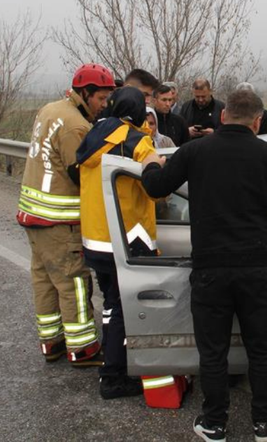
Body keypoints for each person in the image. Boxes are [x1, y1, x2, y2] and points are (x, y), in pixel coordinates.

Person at [141, 89, 267, 442]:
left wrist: (152, 161)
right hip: (256, 269)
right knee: (261, 349)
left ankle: (214, 423)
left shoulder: (194, 151)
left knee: (212, 352)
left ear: (223, 115)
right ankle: (263, 423)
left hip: (210, 270)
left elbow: (155, 188)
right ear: (258, 122)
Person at [17, 63, 115, 366]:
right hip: (60, 219)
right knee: (73, 281)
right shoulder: (77, 127)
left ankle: (52, 342)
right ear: (85, 93)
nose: (104, 105)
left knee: (44, 280)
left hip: (33, 214)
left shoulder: (50, 109)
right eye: (100, 98)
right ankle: (83, 348)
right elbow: (81, 176)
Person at [76, 87, 158, 398]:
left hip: (96, 240)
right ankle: (114, 376)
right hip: (125, 240)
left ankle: (111, 363)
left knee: (111, 305)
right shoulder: (135, 139)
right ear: (137, 111)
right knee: (124, 308)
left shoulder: (94, 135)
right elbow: (157, 188)